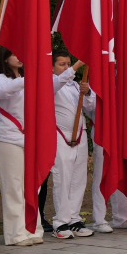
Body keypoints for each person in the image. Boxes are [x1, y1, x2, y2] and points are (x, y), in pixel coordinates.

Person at [0, 48, 43, 246]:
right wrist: (29, 79)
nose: (20, 57)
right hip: (8, 138)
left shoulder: (26, 79)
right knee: (13, 186)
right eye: (15, 53)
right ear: (5, 58)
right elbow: (0, 92)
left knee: (31, 186)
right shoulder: (0, 79)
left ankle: (31, 228)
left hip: (29, 138)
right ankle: (14, 233)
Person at [48, 53, 95, 240]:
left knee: (78, 178)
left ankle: (74, 218)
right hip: (61, 136)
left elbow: (90, 107)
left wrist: (88, 92)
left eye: (68, 63)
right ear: (52, 67)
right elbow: (56, 84)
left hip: (80, 135)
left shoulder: (75, 85)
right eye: (62, 64)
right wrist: (76, 66)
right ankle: (60, 221)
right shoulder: (52, 82)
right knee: (63, 178)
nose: (66, 67)